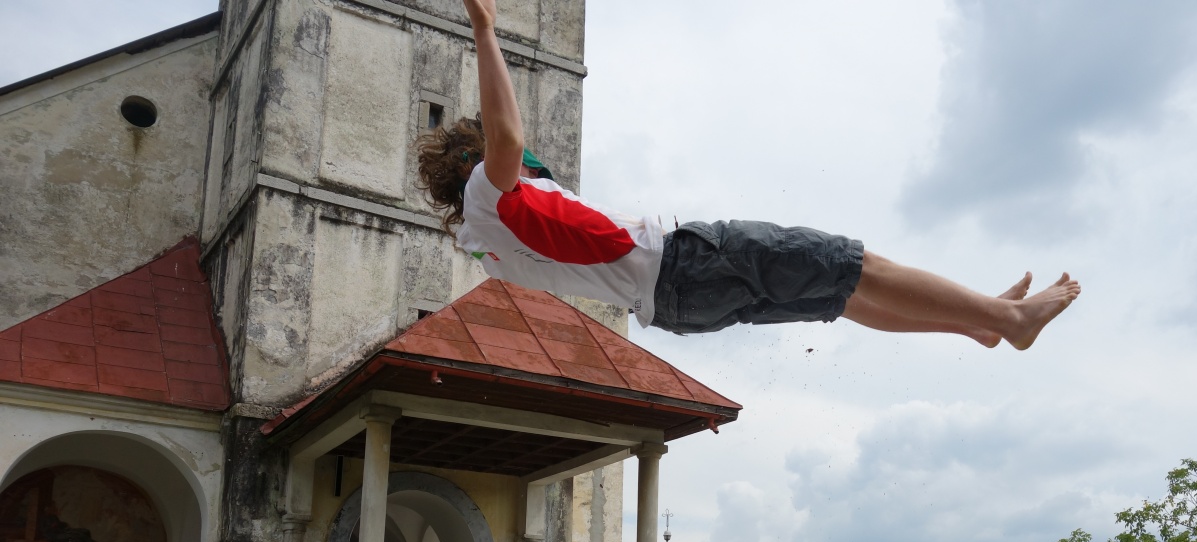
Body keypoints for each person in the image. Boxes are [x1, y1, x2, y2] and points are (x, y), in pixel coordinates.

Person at [417, 0, 1081, 349]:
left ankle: (978, 325)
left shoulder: (484, 250)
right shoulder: (488, 192)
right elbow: (509, 139)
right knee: (855, 264)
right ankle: (1004, 317)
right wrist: (485, 29)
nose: (532, 170)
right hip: (686, 264)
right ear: (470, 166)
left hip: (674, 309)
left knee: (839, 299)